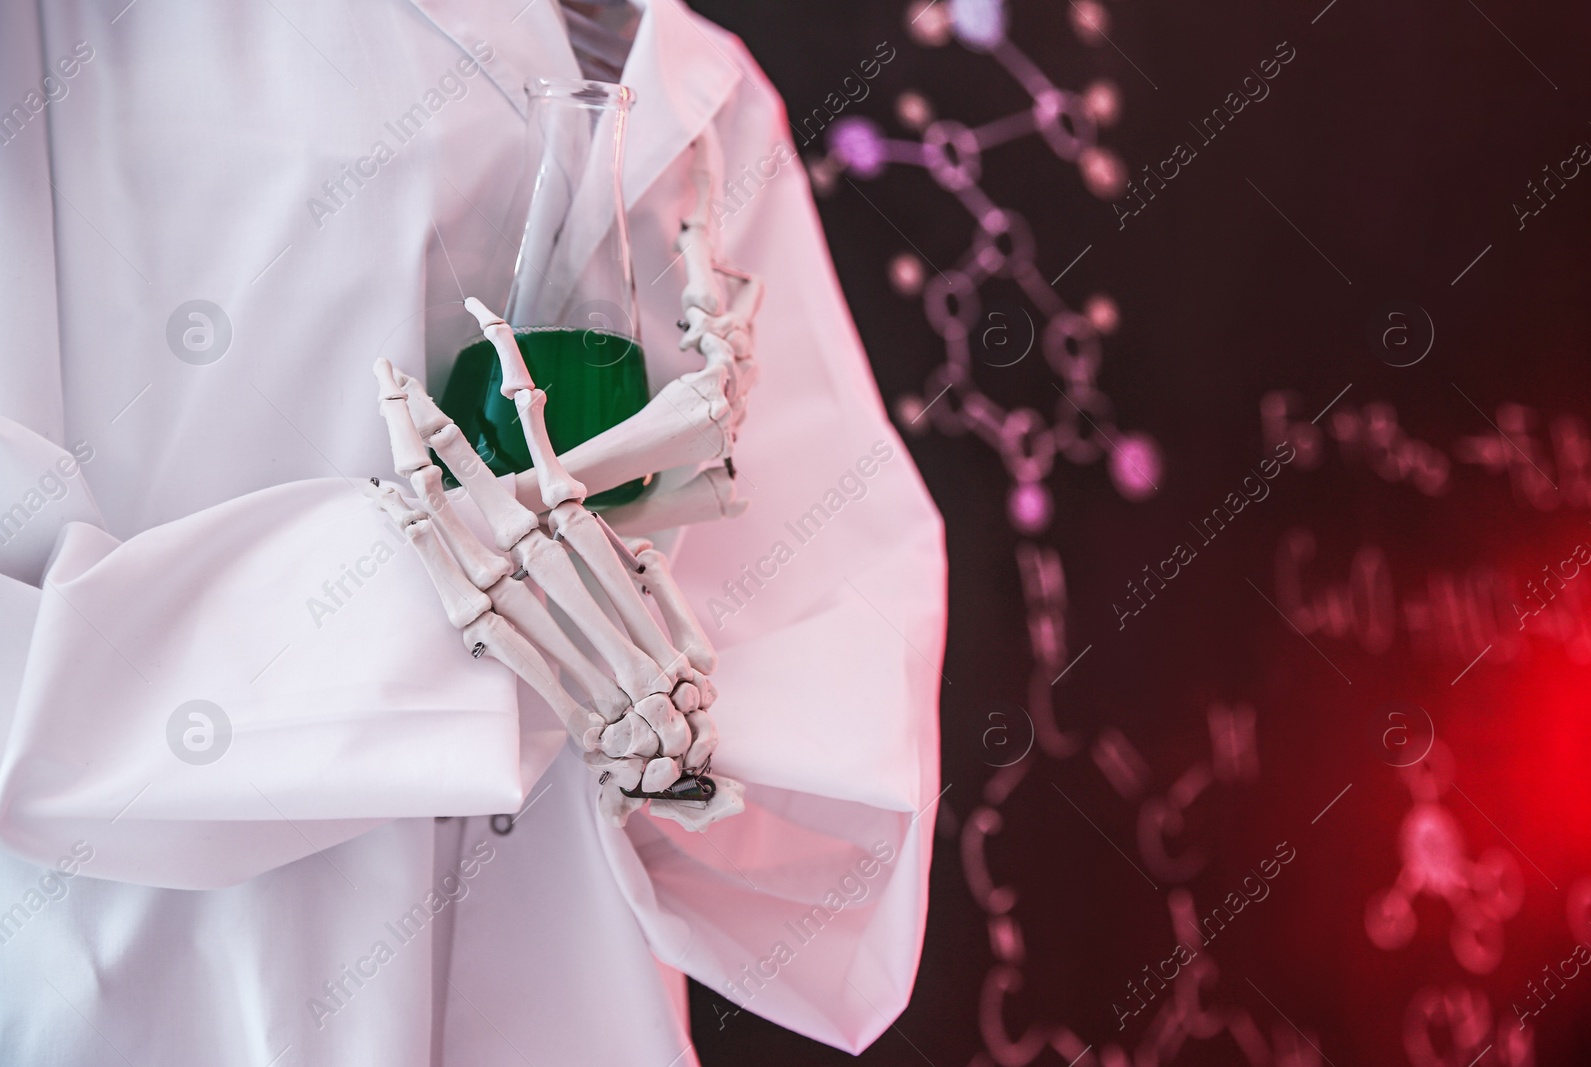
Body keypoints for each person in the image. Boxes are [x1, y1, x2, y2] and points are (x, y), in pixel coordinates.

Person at [0, 0, 946, 1063]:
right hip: (165, 995)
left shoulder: (693, 77)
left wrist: (645, 717)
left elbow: (832, 641)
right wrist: (468, 626)